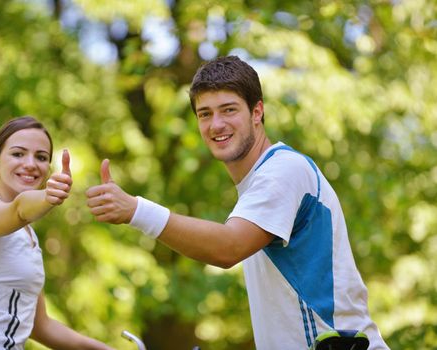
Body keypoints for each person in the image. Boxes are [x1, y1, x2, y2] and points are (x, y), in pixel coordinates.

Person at [85, 56, 389, 349]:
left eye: (228, 110)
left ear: (257, 113)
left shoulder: (282, 171)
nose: (216, 124)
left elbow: (228, 248)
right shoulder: (257, 185)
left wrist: (136, 210)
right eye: (205, 114)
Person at [0, 116, 113, 350]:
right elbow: (19, 209)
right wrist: (48, 196)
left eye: (41, 157)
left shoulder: (28, 235)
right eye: (18, 154)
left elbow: (40, 326)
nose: (31, 164)